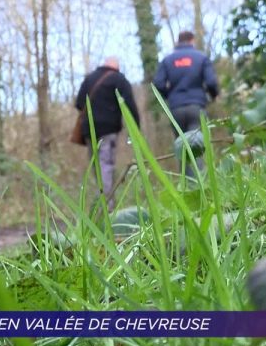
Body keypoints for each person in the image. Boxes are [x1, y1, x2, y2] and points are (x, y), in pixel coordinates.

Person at [75, 56, 140, 211]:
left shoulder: (89, 79)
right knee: (105, 164)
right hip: (108, 129)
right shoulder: (119, 79)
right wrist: (136, 129)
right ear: (116, 67)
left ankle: (103, 201)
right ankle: (106, 207)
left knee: (96, 165)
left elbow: (78, 103)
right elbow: (129, 104)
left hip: (89, 130)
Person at [153, 31, 219, 177]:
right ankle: (197, 186)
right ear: (192, 40)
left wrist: (169, 96)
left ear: (178, 41)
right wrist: (211, 96)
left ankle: (187, 185)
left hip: (176, 109)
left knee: (182, 147)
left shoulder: (167, 60)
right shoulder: (201, 57)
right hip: (197, 107)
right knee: (196, 147)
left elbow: (158, 84)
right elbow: (211, 82)